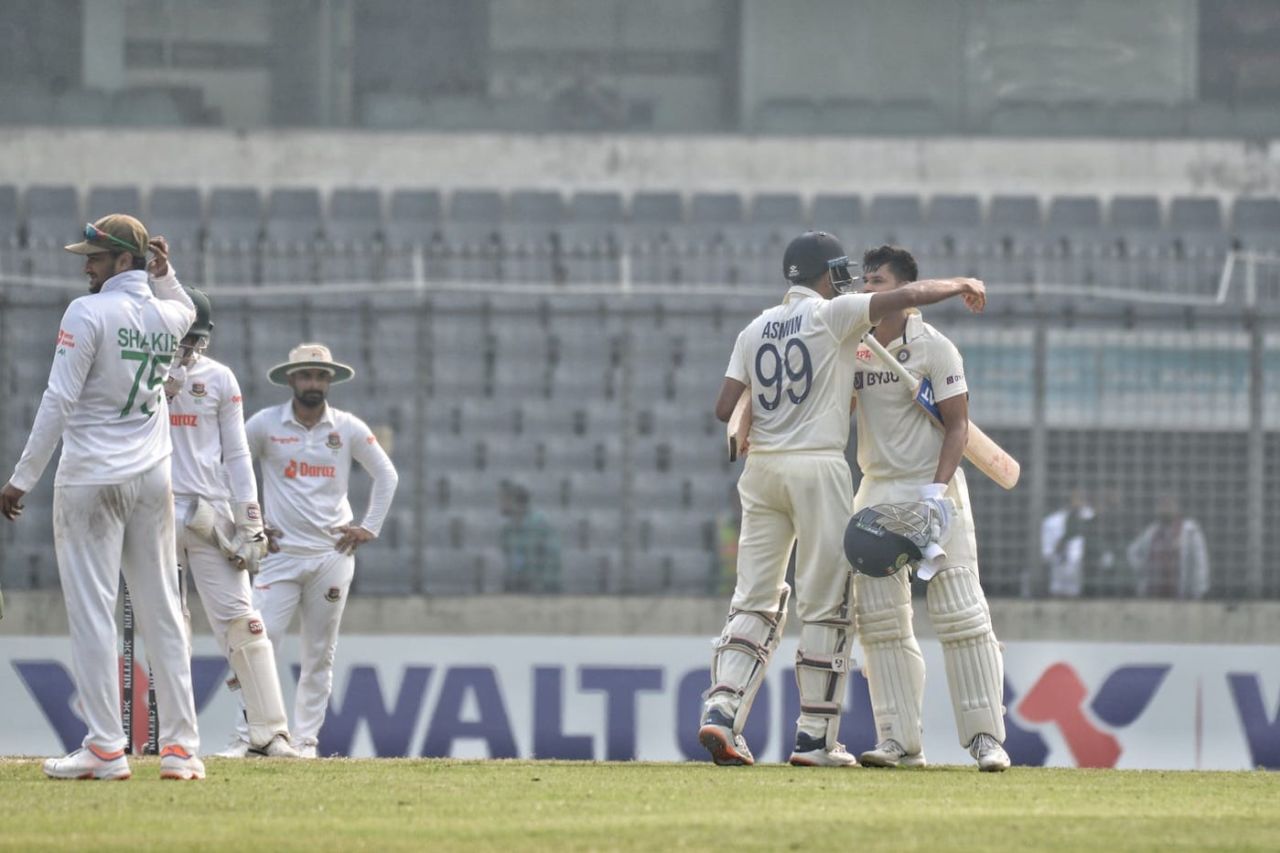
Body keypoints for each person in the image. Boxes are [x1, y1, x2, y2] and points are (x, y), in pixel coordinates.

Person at [698, 231, 986, 767]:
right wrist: (962, 283)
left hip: (761, 472)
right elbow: (908, 298)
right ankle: (814, 739)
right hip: (818, 466)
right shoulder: (833, 315)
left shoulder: (754, 328)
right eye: (839, 273)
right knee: (828, 603)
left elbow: (725, 410)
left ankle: (721, 709)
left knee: (755, 598)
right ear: (825, 274)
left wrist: (765, 419)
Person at [0, 216, 205, 780]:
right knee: (164, 608)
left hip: (90, 478)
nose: (85, 265)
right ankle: (182, 750)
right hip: (151, 479)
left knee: (93, 612)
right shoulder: (168, 316)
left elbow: (58, 400)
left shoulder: (86, 313)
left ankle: (107, 748)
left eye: (94, 256)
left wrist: (22, 477)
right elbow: (186, 307)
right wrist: (165, 274)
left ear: (121, 261)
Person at [847, 244, 1010, 772]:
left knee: (961, 611)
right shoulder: (855, 344)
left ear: (903, 290)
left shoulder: (937, 348)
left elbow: (959, 426)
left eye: (877, 280)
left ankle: (985, 738)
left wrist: (937, 495)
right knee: (879, 621)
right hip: (878, 489)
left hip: (932, 491)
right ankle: (898, 740)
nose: (867, 287)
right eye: (865, 279)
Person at [224, 343, 398, 758]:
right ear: (291, 379)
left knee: (319, 654)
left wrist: (368, 527)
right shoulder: (266, 424)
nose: (314, 384)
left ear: (330, 381)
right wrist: (247, 522)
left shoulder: (348, 428)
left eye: (321, 377)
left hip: (331, 555)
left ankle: (303, 742)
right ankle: (251, 738)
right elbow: (227, 462)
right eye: (306, 376)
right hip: (279, 556)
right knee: (257, 646)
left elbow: (386, 475)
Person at [164, 287, 298, 758]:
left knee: (244, 623)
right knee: (166, 626)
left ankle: (269, 733)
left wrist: (251, 521)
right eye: (181, 340)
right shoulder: (136, 374)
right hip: (151, 512)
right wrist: (158, 390)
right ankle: (171, 742)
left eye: (194, 341)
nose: (188, 350)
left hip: (208, 514)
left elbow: (238, 454)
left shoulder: (220, 378)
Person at [1127, 493, 1209, 600]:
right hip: (1153, 596)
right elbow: (1132, 551)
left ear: (1177, 507)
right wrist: (1143, 571)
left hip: (1182, 596)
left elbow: (1200, 563)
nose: (1165, 508)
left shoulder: (1190, 530)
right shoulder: (1152, 531)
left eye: (1169, 504)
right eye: (1162, 504)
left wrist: (1198, 591)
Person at [499, 481, 562, 593]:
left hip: (543, 590)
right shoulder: (507, 530)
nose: (500, 503)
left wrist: (542, 586)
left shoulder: (541, 524)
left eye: (504, 500)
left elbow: (553, 559)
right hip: (518, 588)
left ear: (515, 502)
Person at [1041, 488, 1095, 598]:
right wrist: (1058, 548)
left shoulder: (1090, 517)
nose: (1080, 503)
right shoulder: (1052, 522)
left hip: (1083, 583)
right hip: (1057, 578)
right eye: (1078, 498)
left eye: (1083, 499)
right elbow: (1045, 553)